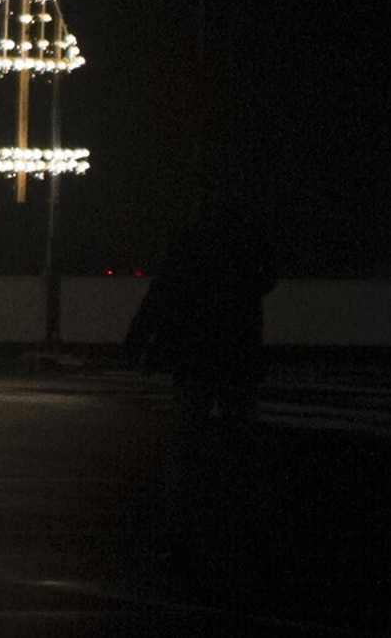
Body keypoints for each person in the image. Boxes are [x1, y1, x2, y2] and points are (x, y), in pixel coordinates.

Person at [125, 172, 277, 565]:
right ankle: (249, 530)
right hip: (237, 356)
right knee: (241, 446)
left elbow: (163, 292)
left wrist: (141, 338)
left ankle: (182, 533)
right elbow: (267, 279)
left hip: (197, 358)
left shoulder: (191, 240)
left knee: (184, 446)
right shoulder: (246, 240)